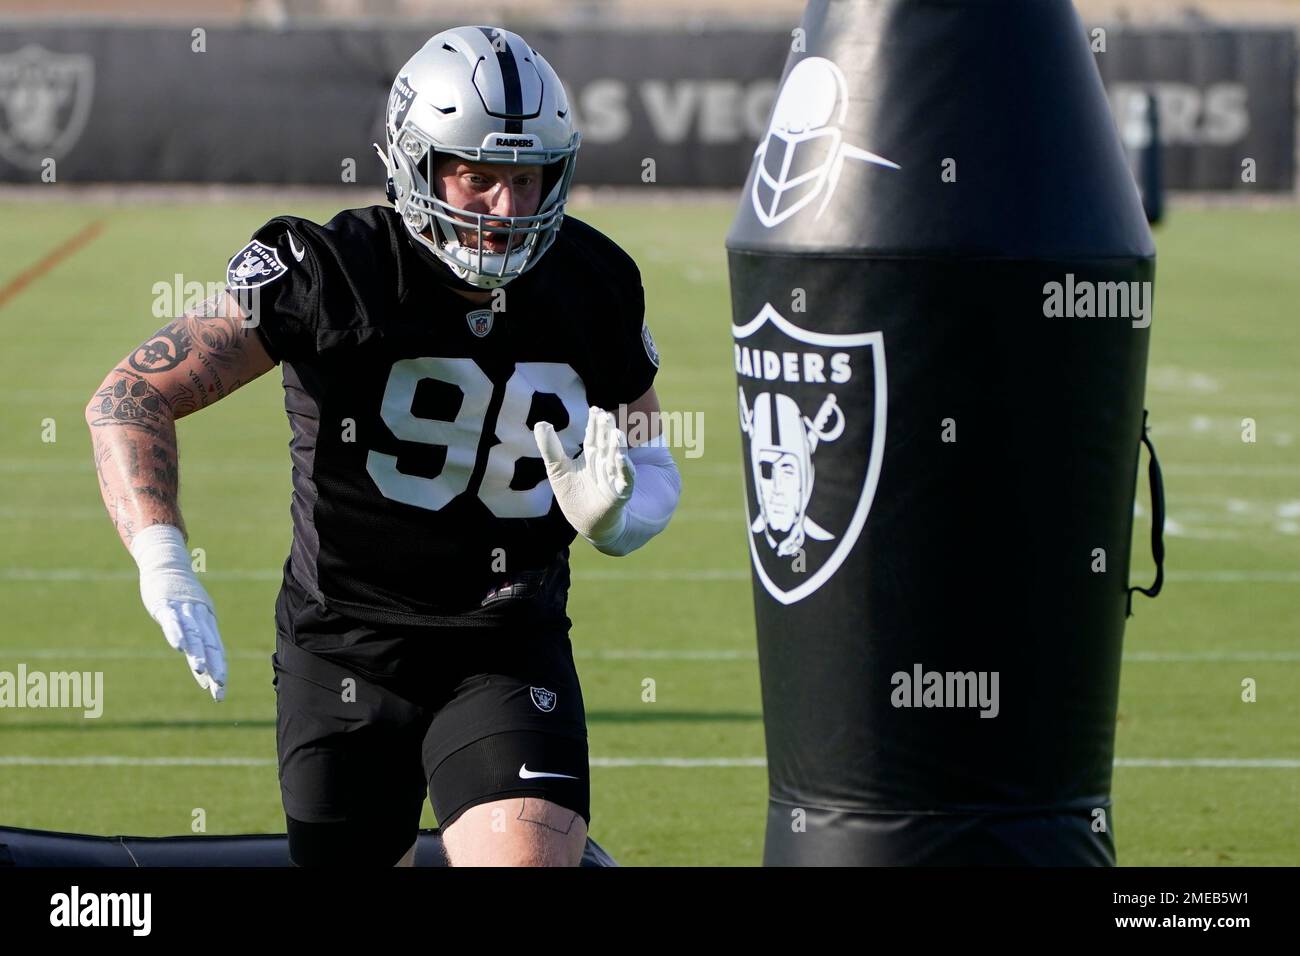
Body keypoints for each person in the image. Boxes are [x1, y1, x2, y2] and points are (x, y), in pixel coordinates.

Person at [84, 25, 681, 867]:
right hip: (344, 643)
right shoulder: (335, 271)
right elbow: (130, 394)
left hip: (504, 640)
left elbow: (652, 452)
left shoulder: (593, 279)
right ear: (416, 162)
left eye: (526, 177)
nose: (506, 209)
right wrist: (162, 556)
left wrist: (621, 519)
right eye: (477, 177)